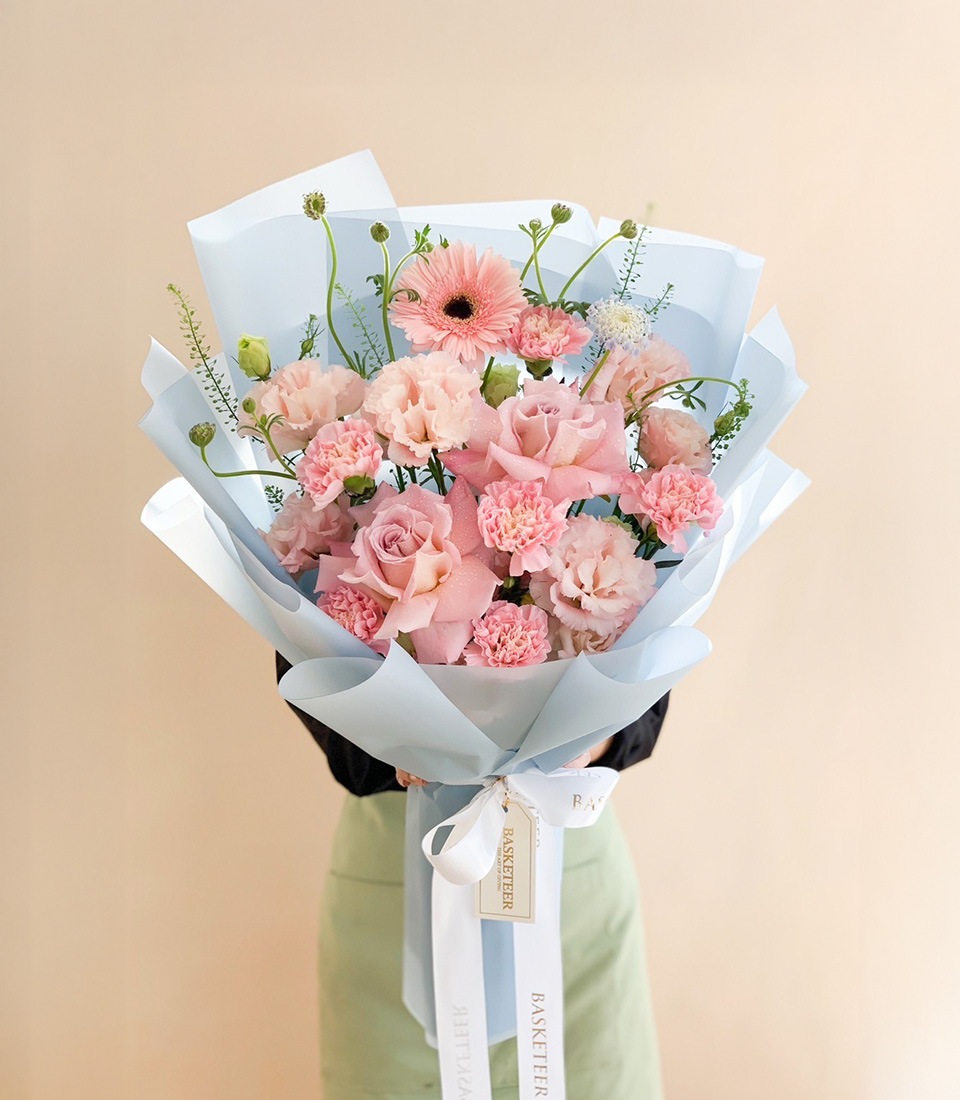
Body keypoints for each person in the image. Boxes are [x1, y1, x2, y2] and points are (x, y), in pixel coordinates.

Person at [277, 653, 669, 1100]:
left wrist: (590, 742)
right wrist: (396, 751)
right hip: (393, 895)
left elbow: (647, 684)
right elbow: (309, 671)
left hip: (572, 905)